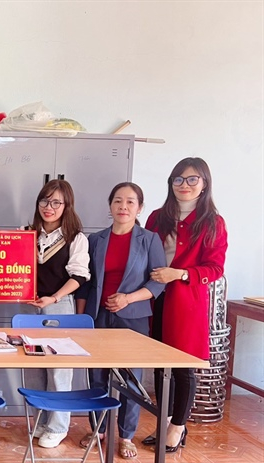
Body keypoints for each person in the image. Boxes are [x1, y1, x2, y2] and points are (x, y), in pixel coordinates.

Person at [75, 182, 166, 459]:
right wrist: (81, 319)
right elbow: (85, 282)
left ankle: (126, 436)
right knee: (97, 377)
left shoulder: (149, 239)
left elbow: (158, 282)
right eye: (117, 201)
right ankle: (98, 429)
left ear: (139, 208)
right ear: (110, 206)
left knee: (131, 379)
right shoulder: (96, 239)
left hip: (134, 318)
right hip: (98, 316)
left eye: (130, 202)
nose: (123, 206)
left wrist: (129, 298)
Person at [143, 158, 227, 452]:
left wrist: (180, 274)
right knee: (159, 364)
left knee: (182, 367)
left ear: (204, 184)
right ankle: (165, 422)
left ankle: (178, 427)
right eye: (178, 179)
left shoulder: (212, 222)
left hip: (186, 301)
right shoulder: (157, 217)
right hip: (155, 297)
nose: (184, 185)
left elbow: (215, 268)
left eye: (192, 179)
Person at [23, 180, 90, 449]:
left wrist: (53, 298)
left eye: (56, 202)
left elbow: (79, 276)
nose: (48, 207)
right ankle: (41, 421)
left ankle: (58, 426)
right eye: (44, 201)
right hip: (29, 308)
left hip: (58, 306)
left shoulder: (75, 238)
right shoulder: (28, 234)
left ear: (66, 206)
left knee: (59, 370)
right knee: (35, 369)